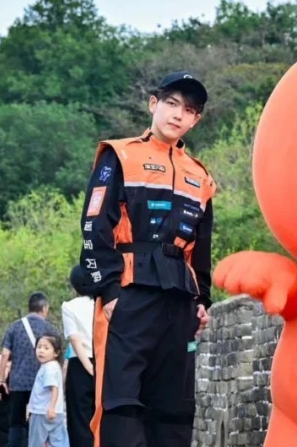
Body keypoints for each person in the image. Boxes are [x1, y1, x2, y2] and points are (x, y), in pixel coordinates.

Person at [78, 72, 215, 447]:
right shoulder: (120, 155)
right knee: (121, 403)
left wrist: (202, 300)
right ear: (154, 104)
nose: (178, 114)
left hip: (180, 301)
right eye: (172, 103)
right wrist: (108, 290)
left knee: (174, 409)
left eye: (189, 110)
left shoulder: (200, 175)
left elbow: (201, 246)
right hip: (129, 292)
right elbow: (95, 224)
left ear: (195, 120)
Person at [0, 294, 52, 447]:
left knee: (16, 424)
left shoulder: (15, 327)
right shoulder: (50, 329)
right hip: (41, 384)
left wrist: (1, 380)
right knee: (38, 424)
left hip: (17, 384)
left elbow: (5, 354)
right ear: (44, 308)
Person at [60, 272, 94, 447]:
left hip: (79, 365)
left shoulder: (69, 306)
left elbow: (74, 338)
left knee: (79, 420)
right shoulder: (102, 303)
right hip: (104, 363)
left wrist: (88, 367)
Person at [26, 337, 66, 447]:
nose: (41, 350)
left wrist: (51, 408)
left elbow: (54, 388)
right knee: (57, 442)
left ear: (56, 353)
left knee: (36, 443)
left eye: (46, 348)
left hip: (42, 412)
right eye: (39, 347)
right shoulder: (55, 366)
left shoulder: (48, 368)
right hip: (57, 412)